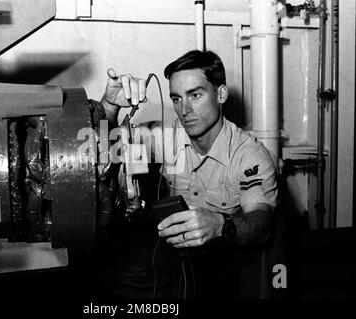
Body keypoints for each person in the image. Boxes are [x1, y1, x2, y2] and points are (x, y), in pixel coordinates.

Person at [93, 50, 278, 298]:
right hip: (177, 254)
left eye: (195, 95)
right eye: (177, 98)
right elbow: (110, 147)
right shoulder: (168, 136)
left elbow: (262, 223)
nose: (185, 109)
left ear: (220, 94)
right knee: (105, 264)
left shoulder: (249, 155)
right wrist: (110, 106)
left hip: (225, 261)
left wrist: (222, 225)